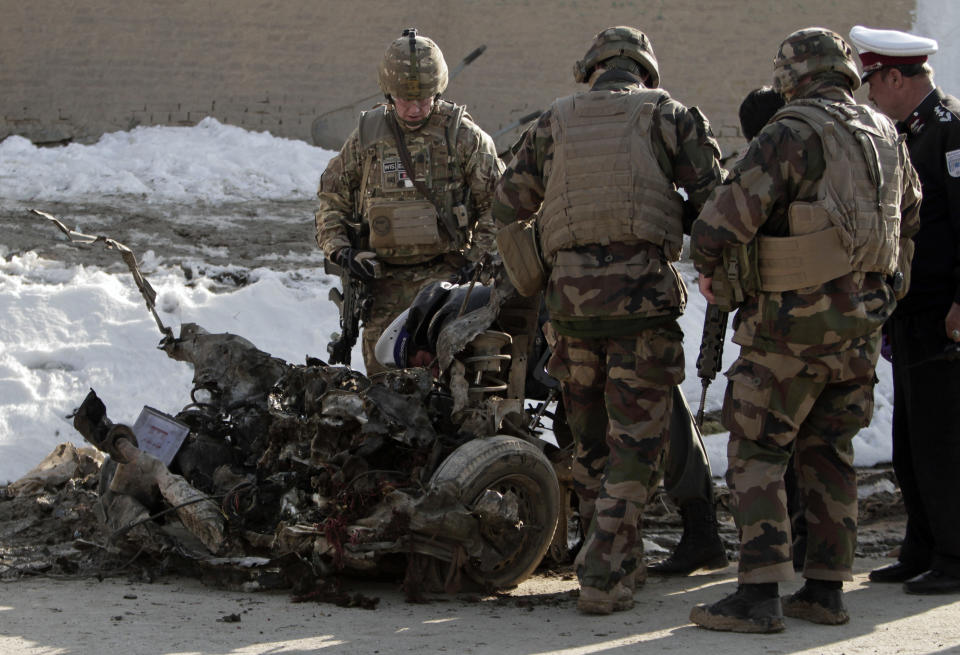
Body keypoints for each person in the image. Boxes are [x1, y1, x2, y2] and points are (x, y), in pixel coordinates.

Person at [688, 28, 921, 633]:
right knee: (830, 453)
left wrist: (714, 273)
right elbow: (910, 220)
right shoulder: (886, 134)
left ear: (791, 76)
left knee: (759, 451)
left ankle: (758, 596)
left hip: (787, 331)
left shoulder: (791, 131)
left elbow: (721, 221)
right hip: (859, 332)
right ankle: (825, 591)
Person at [493, 26, 725, 614]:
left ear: (591, 70)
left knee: (592, 442)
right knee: (635, 448)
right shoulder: (669, 115)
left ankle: (623, 558)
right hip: (641, 307)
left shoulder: (554, 120)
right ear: (645, 72)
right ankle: (601, 571)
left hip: (571, 312)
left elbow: (506, 203)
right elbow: (716, 206)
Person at [315, 28, 503, 375]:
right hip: (382, 282)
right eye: (405, 100)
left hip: (447, 284)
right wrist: (341, 250)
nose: (415, 108)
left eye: (425, 99)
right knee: (383, 389)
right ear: (389, 93)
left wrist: (476, 263)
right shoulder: (368, 136)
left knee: (451, 381)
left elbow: (500, 204)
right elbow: (332, 197)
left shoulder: (462, 136)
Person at [850, 25, 960, 595]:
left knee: (944, 441)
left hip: (947, 314)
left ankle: (954, 553)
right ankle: (922, 545)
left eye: (873, 83)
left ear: (896, 77)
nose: (869, 95)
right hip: (912, 312)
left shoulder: (951, 131)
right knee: (913, 441)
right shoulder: (906, 134)